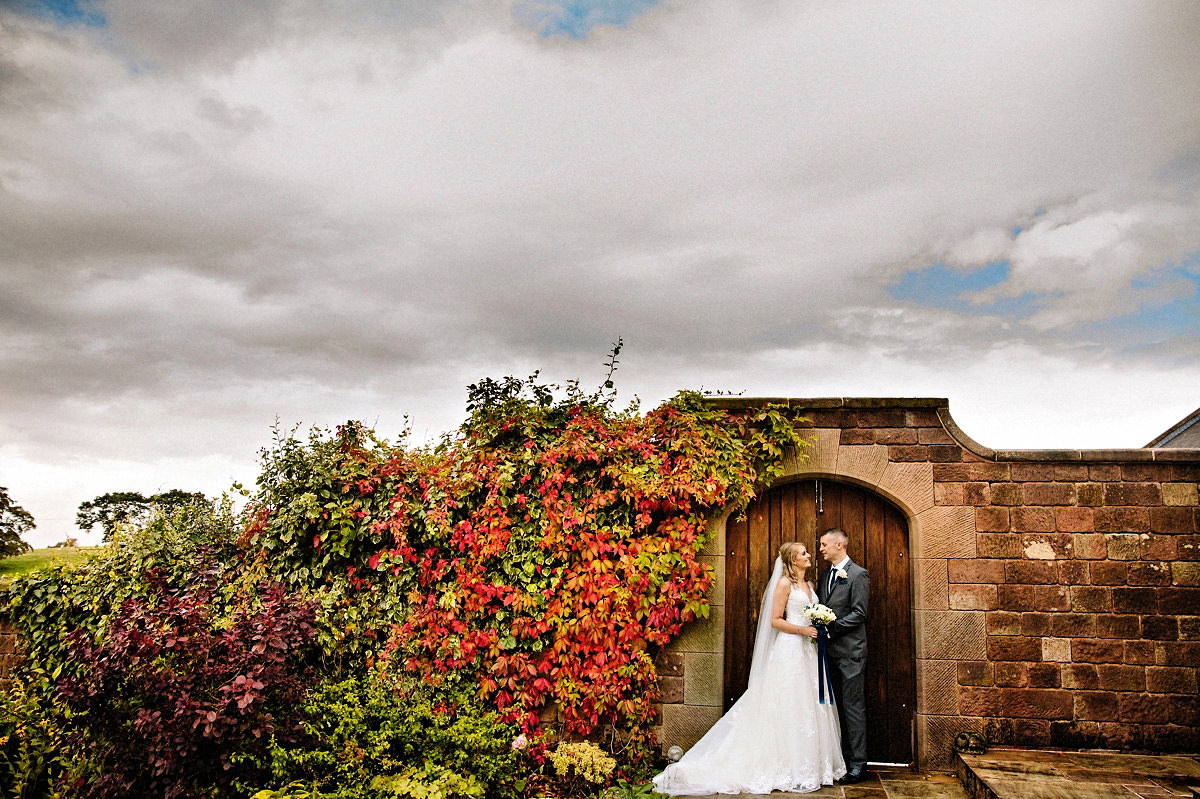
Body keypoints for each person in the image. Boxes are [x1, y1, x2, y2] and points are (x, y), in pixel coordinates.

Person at [653, 542, 846, 795]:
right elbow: (775, 620)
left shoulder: (809, 586)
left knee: (808, 704)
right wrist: (801, 629)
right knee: (785, 703)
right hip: (789, 650)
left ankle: (808, 766)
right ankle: (781, 766)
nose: (808, 555)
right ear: (791, 560)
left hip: (809, 653)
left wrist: (818, 626)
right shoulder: (784, 584)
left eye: (807, 552)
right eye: (803, 553)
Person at [817, 527, 869, 784]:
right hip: (828, 653)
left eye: (825, 544)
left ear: (840, 545)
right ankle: (839, 760)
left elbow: (860, 613)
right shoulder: (826, 574)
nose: (821, 549)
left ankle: (858, 763)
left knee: (852, 707)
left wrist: (830, 626)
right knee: (832, 709)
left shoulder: (858, 575)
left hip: (850, 654)